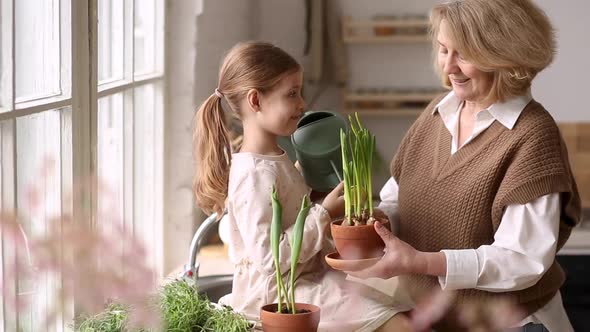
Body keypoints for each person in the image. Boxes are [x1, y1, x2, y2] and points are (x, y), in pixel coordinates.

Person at [349, 1, 581, 331]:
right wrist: (373, 224)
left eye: (464, 55)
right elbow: (397, 200)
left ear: (505, 57)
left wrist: (423, 262)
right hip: (438, 317)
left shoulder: (532, 135)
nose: (448, 68)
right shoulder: (436, 114)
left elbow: (522, 259)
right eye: (444, 50)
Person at [193, 41, 407, 331]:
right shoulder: (254, 174)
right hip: (280, 297)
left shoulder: (276, 159)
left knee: (403, 315)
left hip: (309, 280)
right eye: (292, 94)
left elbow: (293, 220)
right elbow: (271, 259)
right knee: (398, 324)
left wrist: (349, 221)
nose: (302, 104)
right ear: (256, 101)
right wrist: (324, 212)